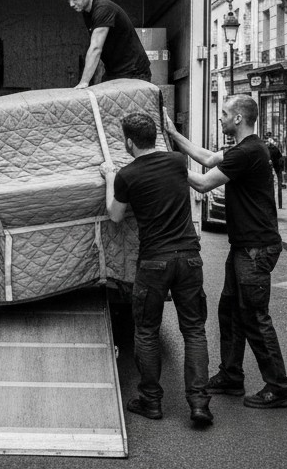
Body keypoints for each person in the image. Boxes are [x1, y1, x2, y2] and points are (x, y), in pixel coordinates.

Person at [165, 95, 287, 409]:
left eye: (224, 114)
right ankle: (231, 375)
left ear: (238, 118)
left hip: (255, 248)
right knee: (230, 311)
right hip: (245, 246)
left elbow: (203, 183)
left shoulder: (248, 151)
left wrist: (161, 165)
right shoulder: (246, 148)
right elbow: (208, 158)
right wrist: (173, 134)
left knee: (254, 317)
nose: (220, 118)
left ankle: (279, 387)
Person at [101, 113, 213, 426]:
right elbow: (196, 182)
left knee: (147, 330)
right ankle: (199, 404)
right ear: (154, 137)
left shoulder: (127, 174)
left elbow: (114, 216)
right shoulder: (177, 161)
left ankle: (151, 401)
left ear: (128, 142)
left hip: (154, 262)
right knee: (194, 330)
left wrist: (110, 176)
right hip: (190, 258)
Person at [62, 0, 153, 89]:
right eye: (68, 0)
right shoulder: (87, 12)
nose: (71, 4)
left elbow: (95, 48)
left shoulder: (103, 9)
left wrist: (83, 82)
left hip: (134, 72)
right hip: (114, 72)